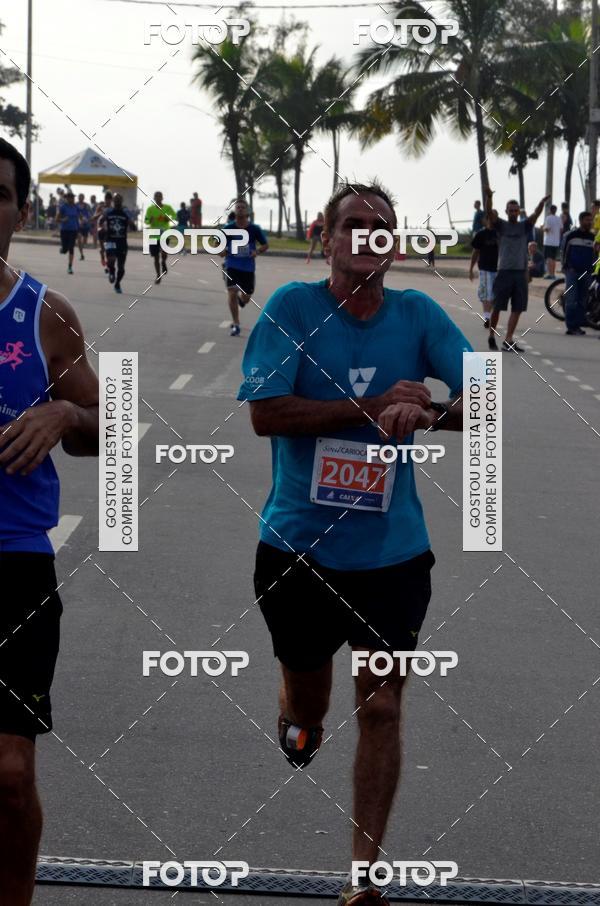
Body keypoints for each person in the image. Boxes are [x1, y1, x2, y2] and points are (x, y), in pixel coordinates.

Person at [238, 181, 472, 906]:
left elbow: (487, 399)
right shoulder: (292, 310)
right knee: (313, 705)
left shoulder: (419, 315)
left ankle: (363, 878)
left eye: (382, 226)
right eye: (354, 224)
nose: (368, 236)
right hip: (298, 550)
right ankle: (296, 715)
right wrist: (370, 407)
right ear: (326, 236)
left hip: (391, 556)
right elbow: (267, 414)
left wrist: (427, 411)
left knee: (382, 708)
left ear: (394, 244)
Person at [0, 138, 99, 906]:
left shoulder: (44, 314)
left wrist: (65, 409)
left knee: (9, 773)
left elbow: (109, 426)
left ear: (21, 211)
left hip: (15, 566)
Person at [485, 189, 549, 352]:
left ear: (518, 212)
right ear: (506, 212)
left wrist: (542, 204)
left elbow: (535, 215)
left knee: (518, 308)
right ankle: (492, 336)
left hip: (520, 272)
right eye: (511, 210)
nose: (513, 212)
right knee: (497, 307)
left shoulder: (524, 226)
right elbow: (489, 213)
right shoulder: (501, 225)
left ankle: (508, 340)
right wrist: (490, 196)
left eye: (516, 210)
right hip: (504, 271)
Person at [220, 198, 268, 337]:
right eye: (238, 207)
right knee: (232, 292)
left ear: (247, 211)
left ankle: (241, 302)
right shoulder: (228, 229)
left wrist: (256, 251)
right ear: (234, 211)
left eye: (242, 207)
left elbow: (265, 245)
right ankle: (236, 324)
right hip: (232, 265)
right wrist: (222, 251)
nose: (240, 209)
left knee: (246, 296)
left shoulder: (254, 229)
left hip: (248, 267)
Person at [561, 211, 595, 336]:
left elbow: (595, 255)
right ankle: (571, 327)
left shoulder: (593, 237)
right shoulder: (571, 236)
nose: (589, 222)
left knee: (582, 300)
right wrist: (566, 268)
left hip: (586, 273)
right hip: (572, 272)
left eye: (590, 220)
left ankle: (578, 326)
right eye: (587, 220)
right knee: (571, 299)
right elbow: (564, 252)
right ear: (581, 221)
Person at [98, 192, 135, 294]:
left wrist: (131, 223)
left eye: (119, 199)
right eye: (116, 199)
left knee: (122, 268)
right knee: (111, 259)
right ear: (113, 201)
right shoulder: (108, 211)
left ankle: (117, 283)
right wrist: (101, 228)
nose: (117, 201)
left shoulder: (125, 213)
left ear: (122, 201)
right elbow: (100, 221)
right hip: (110, 240)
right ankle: (111, 271)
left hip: (122, 242)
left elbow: (133, 226)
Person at [469, 213, 498, 329]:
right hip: (485, 268)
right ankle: (487, 317)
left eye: (494, 217)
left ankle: (490, 315)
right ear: (485, 220)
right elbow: (475, 252)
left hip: (499, 269)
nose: (492, 219)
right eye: (489, 217)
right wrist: (471, 269)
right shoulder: (480, 234)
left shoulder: (500, 234)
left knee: (495, 295)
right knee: (486, 293)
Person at [144, 191, 177, 285]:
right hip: (153, 235)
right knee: (155, 257)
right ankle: (158, 275)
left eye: (160, 197)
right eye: (156, 197)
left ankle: (163, 262)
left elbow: (174, 216)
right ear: (154, 198)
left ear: (162, 198)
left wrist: (169, 218)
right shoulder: (150, 209)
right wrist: (149, 220)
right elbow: (146, 220)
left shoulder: (167, 208)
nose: (158, 199)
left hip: (164, 233)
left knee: (163, 253)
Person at [56, 190, 80, 274]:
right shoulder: (63, 207)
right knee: (65, 249)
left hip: (73, 230)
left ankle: (70, 267)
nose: (72, 199)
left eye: (73, 197)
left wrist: (80, 223)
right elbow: (57, 219)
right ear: (67, 198)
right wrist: (63, 219)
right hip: (64, 230)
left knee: (71, 248)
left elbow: (78, 217)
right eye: (70, 197)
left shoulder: (76, 207)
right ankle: (63, 249)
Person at [92, 191, 113, 271]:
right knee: (103, 248)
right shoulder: (101, 207)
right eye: (106, 199)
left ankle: (108, 266)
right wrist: (101, 213)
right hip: (101, 230)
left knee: (109, 249)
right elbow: (94, 217)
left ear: (111, 200)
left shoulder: (113, 208)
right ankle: (102, 256)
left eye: (109, 199)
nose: (108, 201)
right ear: (105, 199)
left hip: (110, 231)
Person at [542, 204, 562, 278]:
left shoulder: (548, 218)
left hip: (548, 241)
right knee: (554, 258)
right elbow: (561, 229)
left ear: (550, 210)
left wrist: (543, 228)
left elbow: (547, 229)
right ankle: (553, 273)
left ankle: (550, 274)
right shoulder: (558, 218)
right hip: (556, 241)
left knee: (549, 258)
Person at [75, 193, 91, 261]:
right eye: (79, 197)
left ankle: (82, 247)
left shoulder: (87, 205)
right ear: (78, 198)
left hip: (86, 225)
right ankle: (81, 254)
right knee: (79, 239)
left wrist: (88, 220)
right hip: (78, 225)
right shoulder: (75, 205)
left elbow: (90, 214)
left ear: (83, 198)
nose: (80, 198)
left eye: (82, 197)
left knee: (84, 241)